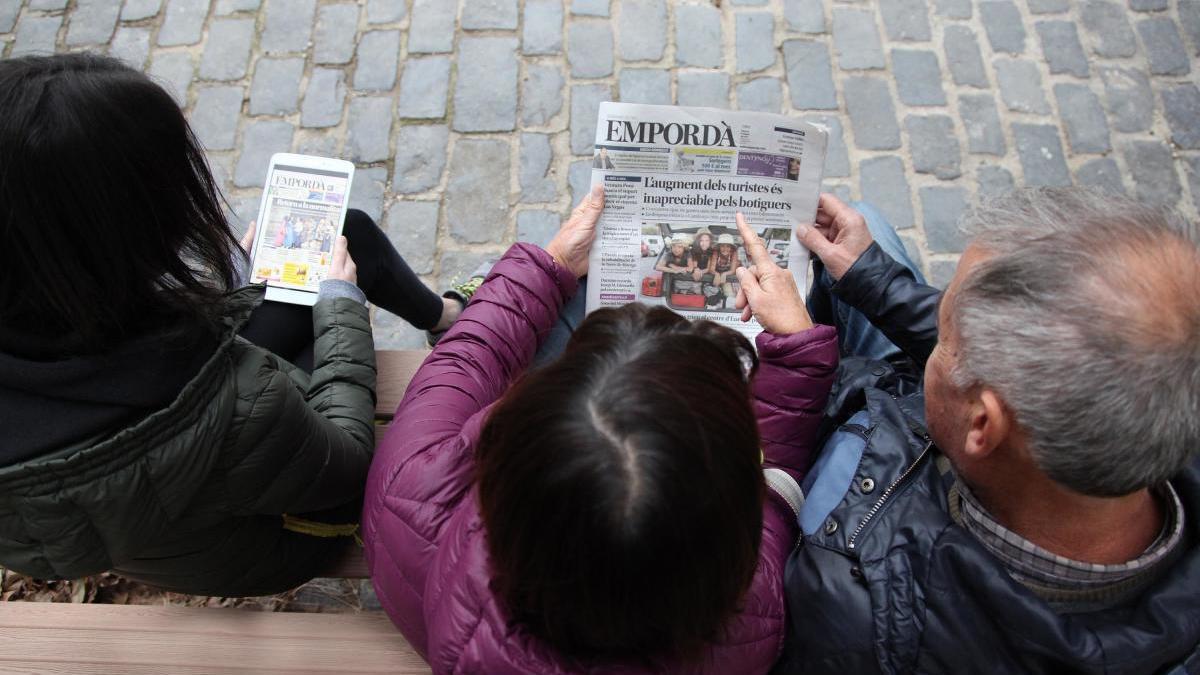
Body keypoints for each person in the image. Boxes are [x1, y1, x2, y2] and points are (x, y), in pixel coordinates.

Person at [0, 53, 458, 596]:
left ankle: (444, 317)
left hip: (166, 534)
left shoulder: (41, 295)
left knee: (342, 234)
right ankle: (454, 324)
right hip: (276, 540)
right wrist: (342, 303)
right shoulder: (227, 404)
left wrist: (235, 296)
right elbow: (348, 460)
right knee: (333, 275)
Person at [362, 192, 841, 673]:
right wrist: (798, 355)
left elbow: (463, 362)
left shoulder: (413, 495)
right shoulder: (746, 632)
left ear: (510, 439)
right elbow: (771, 513)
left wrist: (549, 267)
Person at [775, 189, 1200, 673]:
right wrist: (874, 279)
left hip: (846, 460)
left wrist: (793, 374)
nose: (938, 326)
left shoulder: (855, 614)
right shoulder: (1170, 376)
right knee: (866, 222)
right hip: (910, 411)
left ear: (983, 423)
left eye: (945, 330)